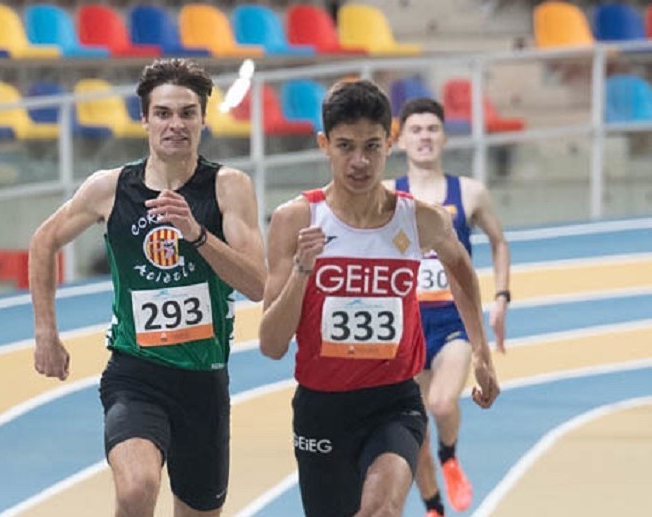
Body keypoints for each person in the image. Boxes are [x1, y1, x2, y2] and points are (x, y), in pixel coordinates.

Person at [29, 58, 266, 517]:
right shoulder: (110, 189)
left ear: (202, 119)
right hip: (135, 373)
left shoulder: (228, 187)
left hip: (204, 380)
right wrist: (45, 332)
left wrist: (196, 234)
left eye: (187, 113)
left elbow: (257, 284)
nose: (176, 124)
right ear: (145, 120)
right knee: (137, 487)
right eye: (163, 113)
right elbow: (44, 242)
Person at [258, 80, 499, 517]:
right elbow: (271, 344)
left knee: (381, 509)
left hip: (394, 403)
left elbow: (461, 269)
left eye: (371, 146)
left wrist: (481, 350)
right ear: (324, 145)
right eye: (345, 146)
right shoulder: (297, 219)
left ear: (390, 142)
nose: (360, 161)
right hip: (322, 406)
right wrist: (302, 271)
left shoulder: (419, 219)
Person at [386, 97, 511, 517]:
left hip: (451, 321)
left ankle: (450, 455)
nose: (424, 137)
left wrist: (501, 297)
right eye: (415, 130)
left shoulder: (470, 192)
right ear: (400, 140)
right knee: (414, 426)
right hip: (405, 326)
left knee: (442, 404)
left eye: (432, 129)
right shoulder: (387, 195)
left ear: (444, 137)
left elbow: (499, 241)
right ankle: (433, 505)